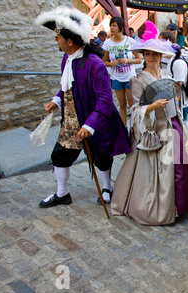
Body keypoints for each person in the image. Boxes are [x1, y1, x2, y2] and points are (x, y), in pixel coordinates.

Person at [35, 6, 131, 208]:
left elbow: (105, 99)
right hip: (70, 121)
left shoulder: (95, 63)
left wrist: (90, 125)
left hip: (93, 120)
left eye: (58, 37)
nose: (56, 40)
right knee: (59, 155)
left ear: (69, 41)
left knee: (101, 156)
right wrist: (56, 100)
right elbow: (67, 86)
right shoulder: (66, 59)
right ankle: (62, 194)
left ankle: (107, 187)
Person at [110, 38, 188, 225]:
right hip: (155, 129)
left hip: (174, 125)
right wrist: (152, 106)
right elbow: (135, 109)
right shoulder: (137, 80)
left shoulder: (165, 75)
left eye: (155, 54)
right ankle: (163, 207)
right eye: (148, 54)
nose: (151, 57)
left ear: (161, 56)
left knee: (183, 164)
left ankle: (183, 204)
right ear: (143, 56)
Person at [102, 16, 142, 127]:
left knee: (132, 105)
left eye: (114, 25)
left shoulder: (130, 41)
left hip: (129, 77)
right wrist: (111, 64)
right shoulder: (108, 43)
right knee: (122, 106)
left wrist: (128, 60)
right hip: (116, 78)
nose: (112, 28)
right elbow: (103, 61)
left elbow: (139, 59)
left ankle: (135, 129)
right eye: (111, 25)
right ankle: (124, 130)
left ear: (120, 27)